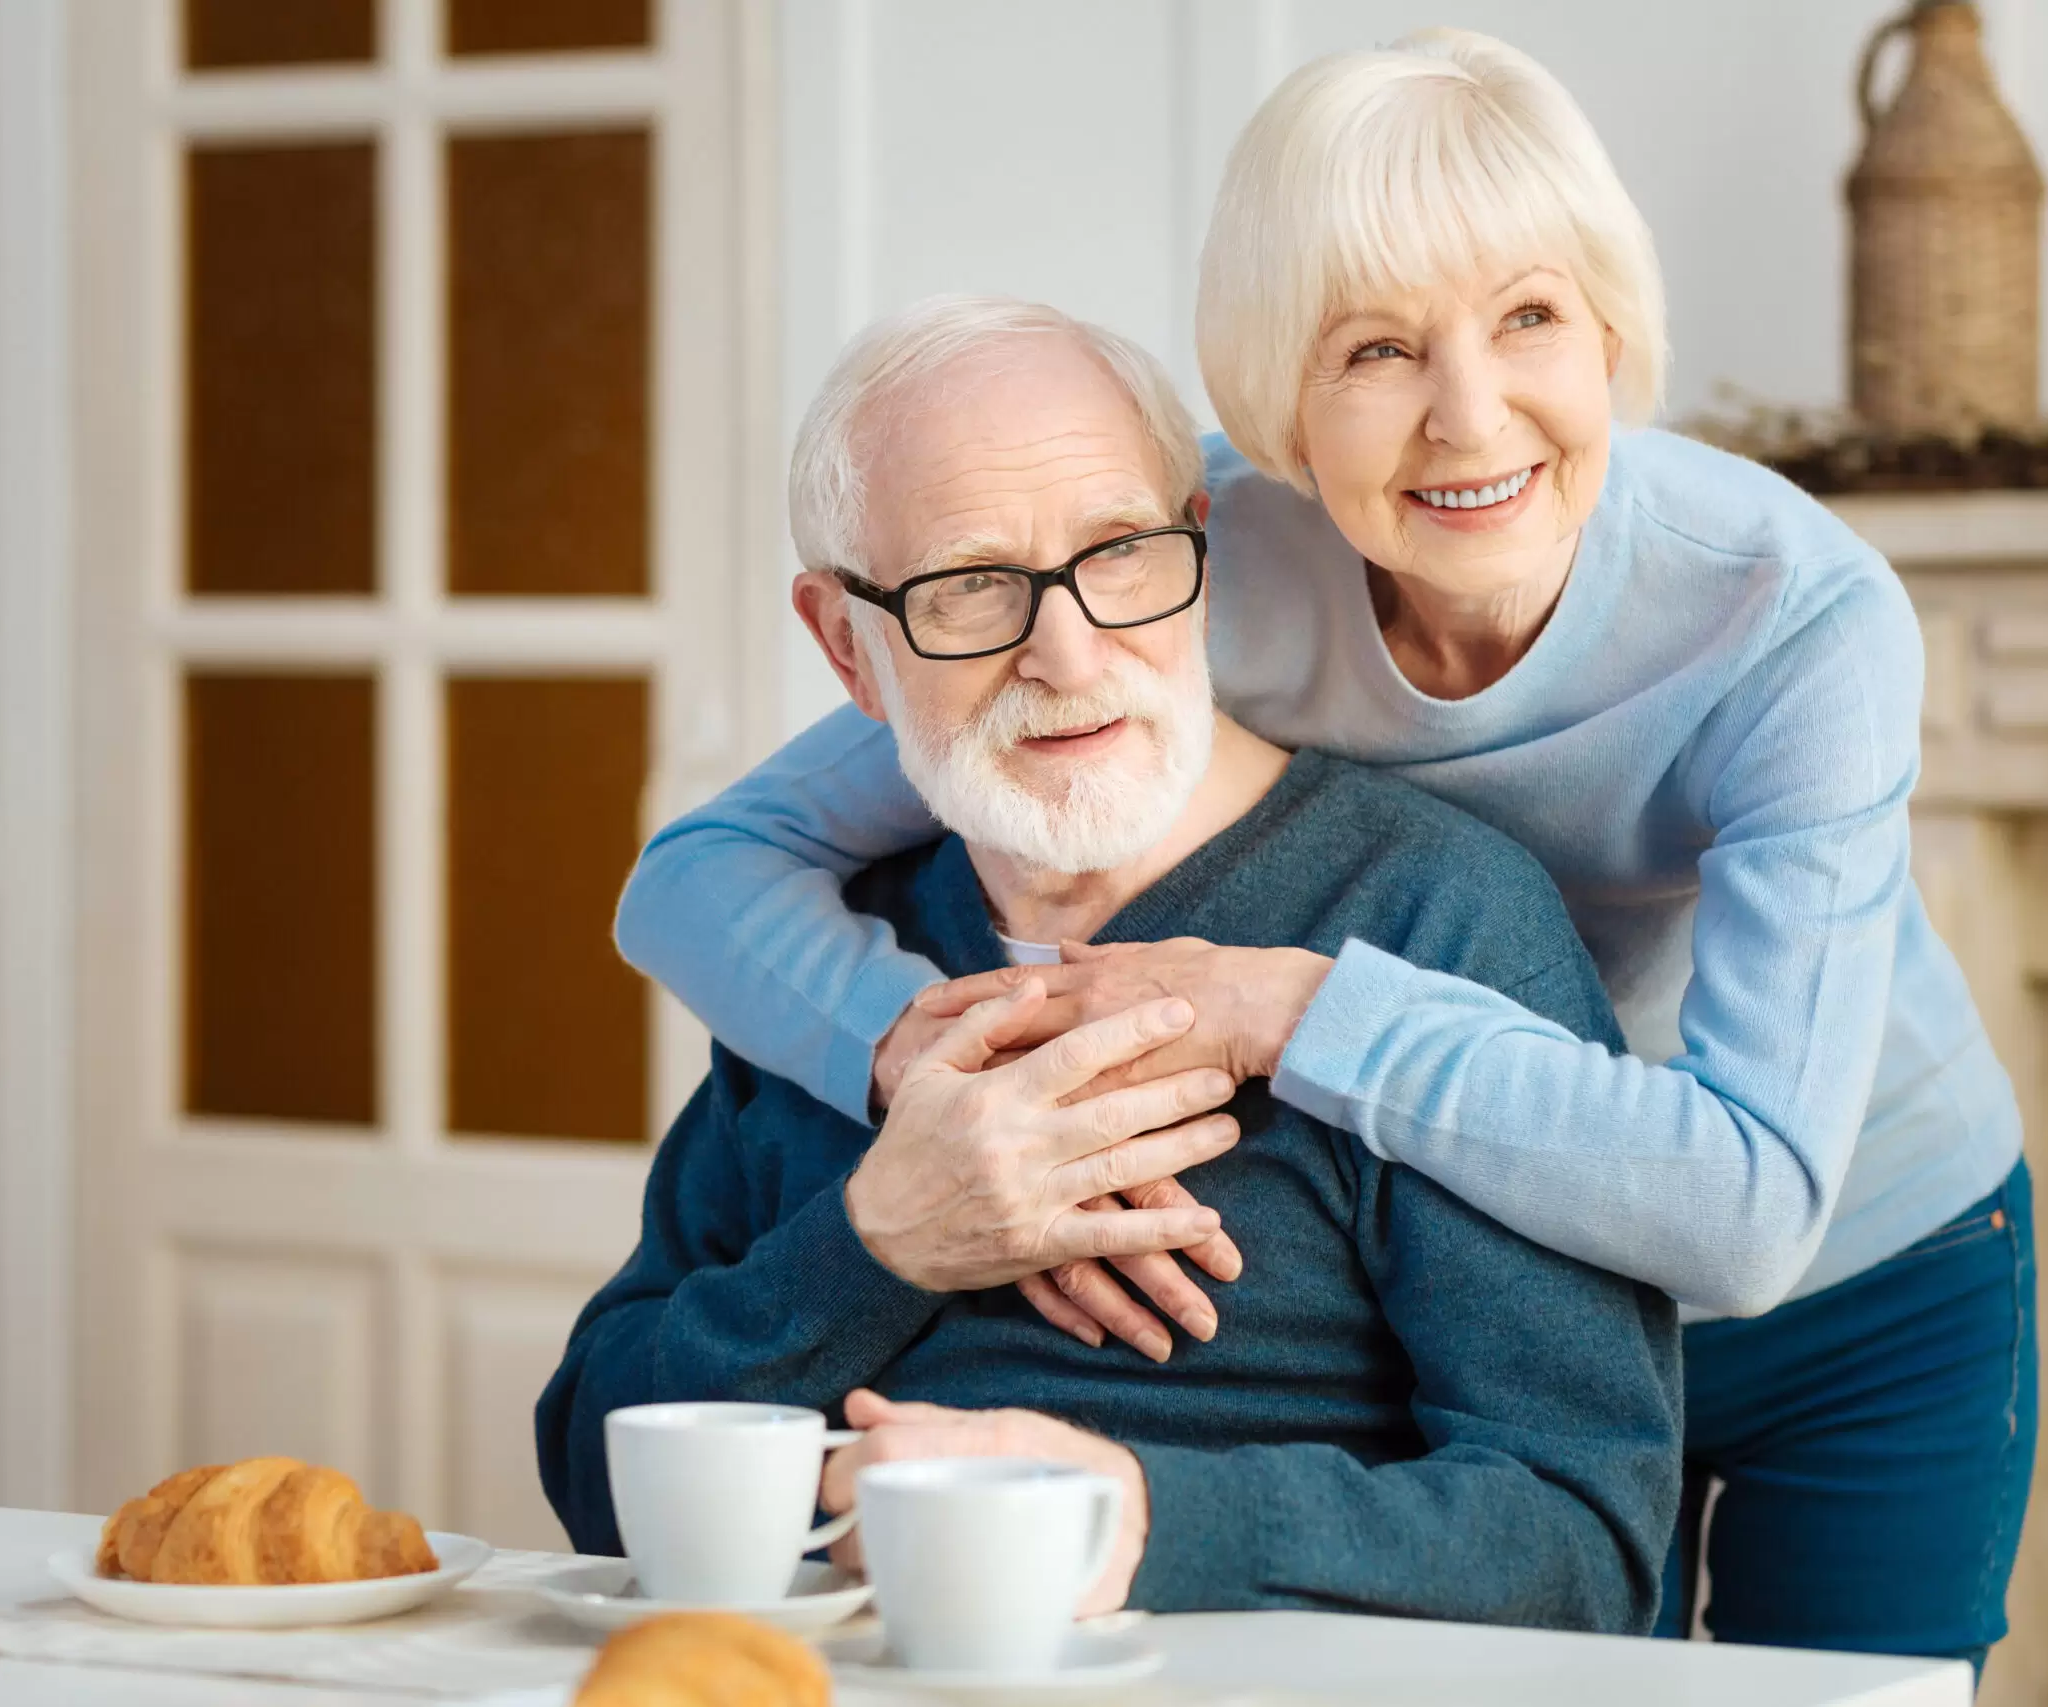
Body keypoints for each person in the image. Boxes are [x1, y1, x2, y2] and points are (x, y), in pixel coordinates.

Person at [611, 29, 2034, 1672]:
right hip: (1509, 1242)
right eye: (1374, 348)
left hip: (1850, 1248)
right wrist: (939, 1086)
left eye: (1531, 316)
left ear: (1611, 328)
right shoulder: (1166, 568)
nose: (1467, 414)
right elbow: (705, 873)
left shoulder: (1796, 618)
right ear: (1280, 392)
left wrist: (1293, 1008)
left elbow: (1749, 1215)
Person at [538, 297, 1681, 1628]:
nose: (1067, 654)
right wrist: (880, 1241)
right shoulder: (827, 958)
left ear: (1197, 546)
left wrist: (1142, 1520)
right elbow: (590, 1465)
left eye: (1120, 553)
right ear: (848, 644)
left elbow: (1585, 1538)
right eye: (971, 585)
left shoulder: (1434, 913)